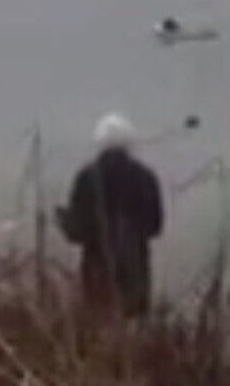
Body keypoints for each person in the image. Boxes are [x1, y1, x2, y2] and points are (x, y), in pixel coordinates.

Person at [57, 114, 164, 318]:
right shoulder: (146, 178)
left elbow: (77, 233)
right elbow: (155, 226)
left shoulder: (86, 177)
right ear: (129, 142)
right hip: (136, 269)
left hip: (97, 269)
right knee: (134, 323)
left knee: (98, 322)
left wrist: (64, 221)